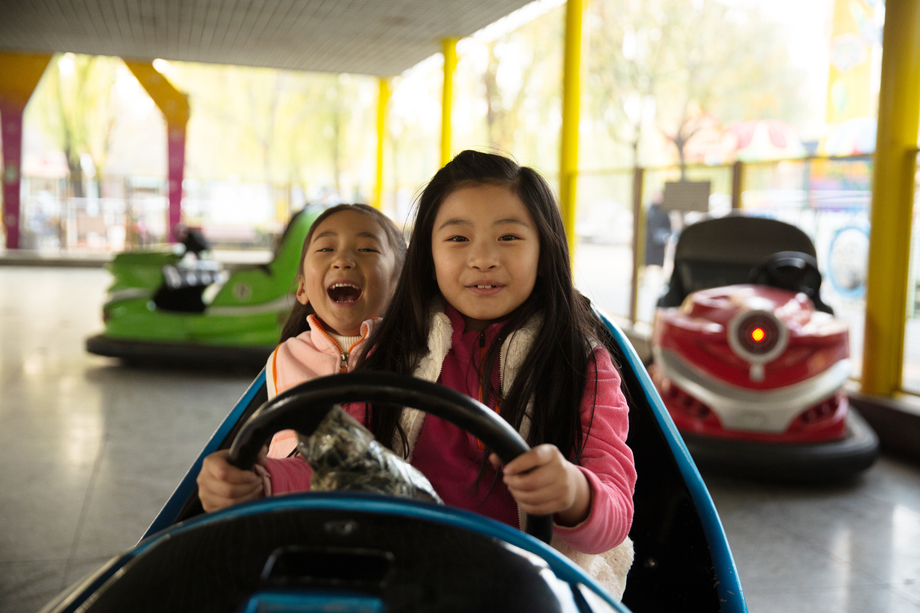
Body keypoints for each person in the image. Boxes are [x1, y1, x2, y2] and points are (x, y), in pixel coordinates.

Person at [199, 152, 637, 597]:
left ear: (544, 251)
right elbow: (340, 467)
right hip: (403, 575)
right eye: (458, 238)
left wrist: (572, 492)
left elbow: (615, 515)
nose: (483, 258)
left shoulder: (579, 364)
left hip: (524, 585)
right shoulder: (394, 349)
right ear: (428, 255)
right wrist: (260, 483)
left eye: (508, 236)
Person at [196, 203, 407, 499]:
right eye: (325, 249)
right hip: (292, 513)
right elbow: (294, 452)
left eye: (366, 250)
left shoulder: (414, 356)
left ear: (399, 286)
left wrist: (266, 481)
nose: (343, 260)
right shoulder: (286, 358)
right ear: (302, 288)